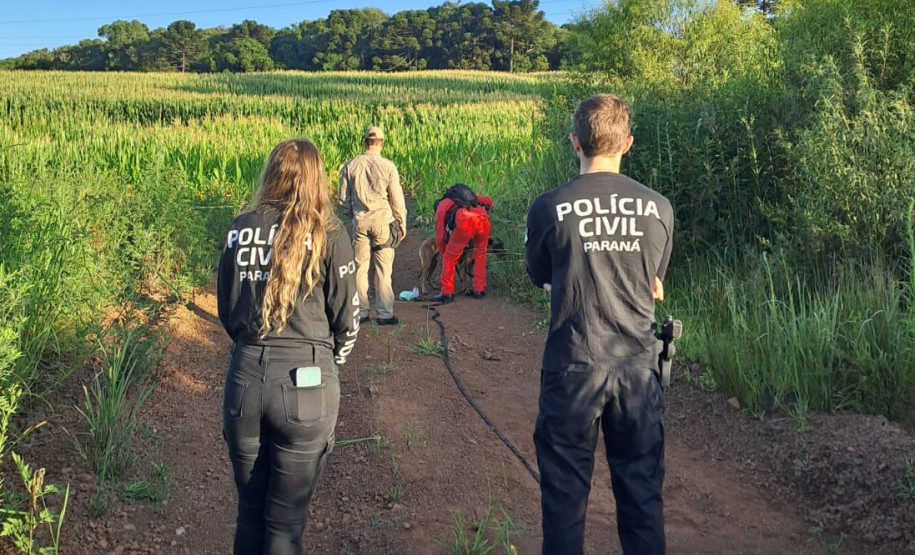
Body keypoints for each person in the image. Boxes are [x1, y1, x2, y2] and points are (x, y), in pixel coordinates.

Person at [525, 94, 674, 555]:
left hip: (573, 367)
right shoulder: (659, 208)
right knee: (642, 494)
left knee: (565, 498)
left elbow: (539, 275)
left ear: (575, 142)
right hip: (638, 370)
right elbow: (654, 282)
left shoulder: (549, 207)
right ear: (626, 143)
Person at [217, 138, 360, 555]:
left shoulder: (239, 228)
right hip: (308, 384)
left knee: (249, 513)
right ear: (317, 179)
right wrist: (327, 366)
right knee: (284, 525)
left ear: (271, 174)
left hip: (245, 377)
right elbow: (348, 320)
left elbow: (228, 310)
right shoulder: (330, 234)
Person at [338, 125, 407, 325]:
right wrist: (401, 221)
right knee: (384, 270)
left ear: (364, 142)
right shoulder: (388, 166)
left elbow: (343, 199)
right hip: (384, 222)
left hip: (360, 222)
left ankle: (361, 312)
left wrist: (352, 215)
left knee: (359, 267)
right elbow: (396, 199)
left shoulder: (351, 165)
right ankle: (385, 313)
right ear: (382, 143)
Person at [431, 183, 493, 303]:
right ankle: (479, 290)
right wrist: (488, 209)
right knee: (480, 255)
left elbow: (440, 234)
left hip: (465, 221)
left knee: (449, 258)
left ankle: (447, 292)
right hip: (483, 219)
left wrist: (443, 251)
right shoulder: (467, 196)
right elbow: (489, 201)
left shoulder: (442, 206)